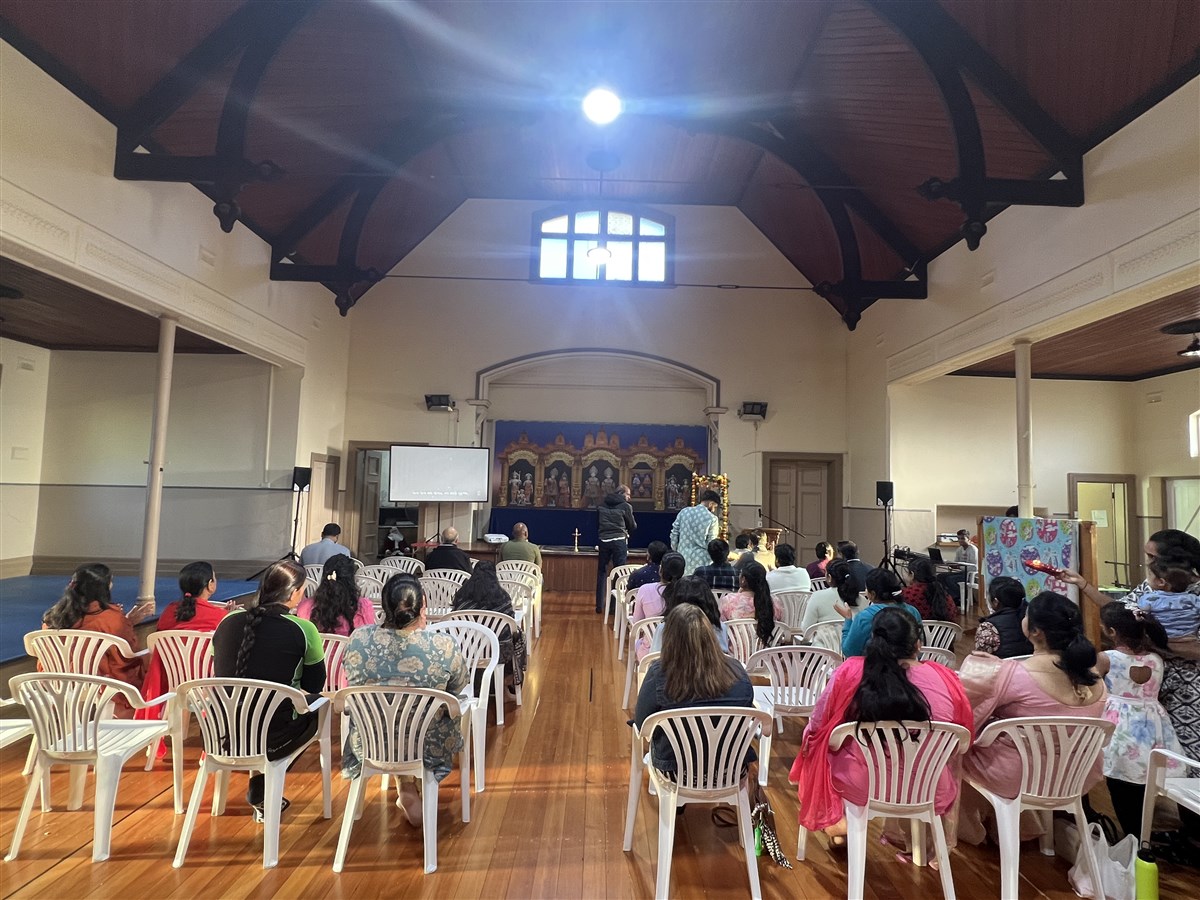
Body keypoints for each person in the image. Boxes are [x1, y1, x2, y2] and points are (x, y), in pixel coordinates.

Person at [790, 607, 973, 846]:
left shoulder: (851, 671)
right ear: (918, 645)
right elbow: (962, 738)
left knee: (819, 747)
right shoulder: (945, 677)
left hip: (865, 784)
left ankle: (839, 823)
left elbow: (816, 725)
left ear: (874, 641)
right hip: (928, 785)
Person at [956, 591, 1107, 846]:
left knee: (952, 747)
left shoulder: (1011, 674)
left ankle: (967, 830)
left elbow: (965, 713)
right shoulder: (1095, 676)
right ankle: (1017, 825)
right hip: (1074, 774)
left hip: (1020, 776)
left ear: (1035, 631)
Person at [342, 573, 468, 826]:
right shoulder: (442, 645)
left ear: (384, 606)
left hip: (372, 740)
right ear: (423, 604)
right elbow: (458, 684)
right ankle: (414, 786)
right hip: (426, 744)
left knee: (398, 719)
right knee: (433, 714)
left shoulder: (358, 639)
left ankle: (405, 787)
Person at [212, 560, 325, 821]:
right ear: (294, 592)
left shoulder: (228, 621)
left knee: (256, 708)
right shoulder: (303, 629)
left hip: (225, 730)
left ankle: (261, 786)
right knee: (317, 707)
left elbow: (219, 671)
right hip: (274, 734)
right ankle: (263, 786)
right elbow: (314, 685)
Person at [634, 603, 754, 775]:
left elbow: (641, 723)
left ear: (669, 638)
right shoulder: (736, 669)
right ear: (710, 635)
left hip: (677, 771)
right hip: (731, 768)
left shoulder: (659, 672)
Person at [1095, 603, 1182, 838]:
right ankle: (1141, 832)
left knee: (1119, 781)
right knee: (1145, 780)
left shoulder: (1106, 658)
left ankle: (1132, 837)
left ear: (1111, 632)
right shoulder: (1156, 659)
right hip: (1152, 724)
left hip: (1119, 726)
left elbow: (1089, 684)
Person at [141, 562, 231, 730]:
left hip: (171, 678)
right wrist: (229, 614)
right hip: (207, 680)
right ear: (210, 585)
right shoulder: (220, 616)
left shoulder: (169, 611)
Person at [42, 563, 152, 700]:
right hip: (99, 686)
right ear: (104, 588)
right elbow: (127, 653)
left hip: (58, 683)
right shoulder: (111, 618)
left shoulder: (53, 617)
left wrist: (126, 622)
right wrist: (125, 623)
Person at [451, 561, 526, 689]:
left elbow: (454, 622)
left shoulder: (461, 596)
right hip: (496, 650)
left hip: (466, 648)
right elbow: (509, 625)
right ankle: (510, 680)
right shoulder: (503, 597)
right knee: (519, 636)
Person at [838, 568, 923, 657]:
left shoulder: (865, 616)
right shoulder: (913, 611)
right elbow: (918, 644)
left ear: (873, 594)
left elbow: (849, 650)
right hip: (908, 666)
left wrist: (848, 620)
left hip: (876, 668)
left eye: (866, 588)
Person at [649, 576, 731, 655]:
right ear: (708, 600)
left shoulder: (664, 628)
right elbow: (724, 656)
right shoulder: (720, 627)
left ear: (675, 602)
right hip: (712, 669)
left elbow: (654, 658)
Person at [296, 553, 374, 636]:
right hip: (350, 649)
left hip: (317, 649)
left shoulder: (305, 606)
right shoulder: (363, 607)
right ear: (351, 579)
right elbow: (368, 636)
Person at [629, 552, 687, 659]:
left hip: (649, 653)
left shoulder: (645, 589)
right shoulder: (688, 592)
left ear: (660, 570)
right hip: (680, 654)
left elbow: (637, 623)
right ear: (682, 573)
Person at [719, 561, 783, 648]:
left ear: (743, 579)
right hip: (765, 656)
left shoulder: (729, 601)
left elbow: (721, 629)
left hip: (737, 655)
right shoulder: (774, 602)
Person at [596, 484, 636, 614]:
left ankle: (599, 606)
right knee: (619, 572)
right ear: (622, 494)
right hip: (619, 541)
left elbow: (598, 523)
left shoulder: (601, 505)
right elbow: (632, 525)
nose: (629, 497)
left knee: (602, 572)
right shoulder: (626, 506)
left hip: (604, 540)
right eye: (628, 494)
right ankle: (614, 607)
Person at [973, 576, 1033, 657]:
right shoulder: (1033, 620)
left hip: (1001, 668)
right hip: (1030, 667)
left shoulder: (988, 628)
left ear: (995, 602)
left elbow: (982, 661)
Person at [800, 559, 864, 633]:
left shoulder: (817, 597)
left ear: (829, 577)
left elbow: (806, 629)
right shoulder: (862, 600)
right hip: (852, 643)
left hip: (823, 643)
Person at [669, 489, 720, 576]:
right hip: (701, 559)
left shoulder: (684, 512)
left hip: (682, 556)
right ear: (711, 503)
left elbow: (674, 533)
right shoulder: (712, 518)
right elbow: (711, 542)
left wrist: (676, 550)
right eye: (714, 506)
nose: (714, 509)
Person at [902, 557, 959, 621]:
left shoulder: (907, 593)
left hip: (919, 630)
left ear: (912, 574)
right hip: (945, 630)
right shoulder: (944, 593)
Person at [937, 529, 978, 598]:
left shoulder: (973, 550)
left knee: (950, 579)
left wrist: (959, 567)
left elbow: (974, 567)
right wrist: (950, 564)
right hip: (961, 572)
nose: (960, 540)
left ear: (968, 539)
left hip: (970, 574)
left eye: (962, 538)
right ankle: (946, 597)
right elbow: (956, 562)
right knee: (940, 576)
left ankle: (959, 597)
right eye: (958, 538)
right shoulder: (959, 549)